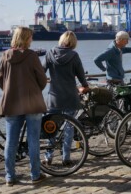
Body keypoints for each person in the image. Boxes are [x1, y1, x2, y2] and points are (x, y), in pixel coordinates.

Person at [0, 26, 47, 186]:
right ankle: (35, 174)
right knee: (33, 140)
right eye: (31, 37)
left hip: (12, 103)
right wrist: (35, 90)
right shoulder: (32, 56)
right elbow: (42, 79)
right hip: (32, 103)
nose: (32, 39)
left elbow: (0, 80)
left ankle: (10, 177)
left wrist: (9, 91)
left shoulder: (5, 55)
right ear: (26, 38)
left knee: (11, 141)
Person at [43, 31, 89, 165]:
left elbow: (41, 70)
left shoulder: (50, 53)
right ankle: (66, 158)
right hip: (70, 97)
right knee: (69, 127)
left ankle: (48, 156)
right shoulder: (74, 56)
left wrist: (45, 80)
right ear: (73, 42)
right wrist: (85, 86)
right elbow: (81, 74)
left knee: (50, 127)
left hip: (54, 97)